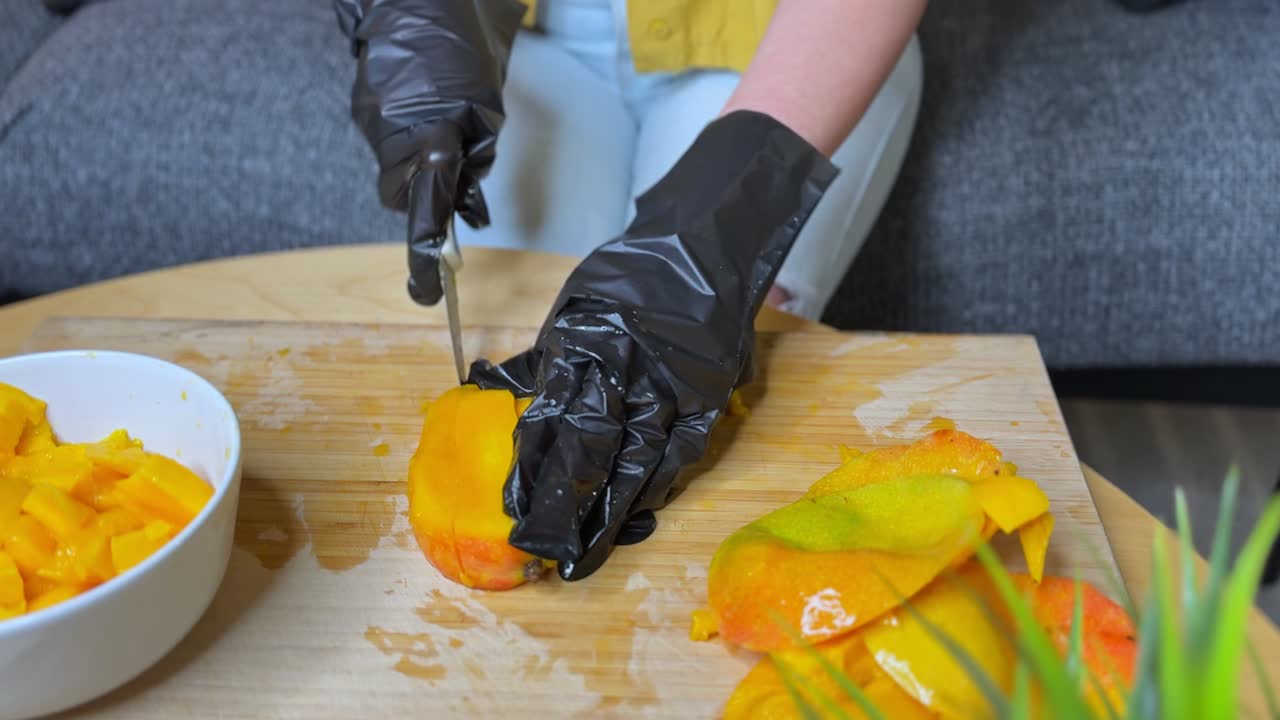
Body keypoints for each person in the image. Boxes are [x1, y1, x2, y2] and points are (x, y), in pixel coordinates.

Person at [337, 0, 925, 581]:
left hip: (790, 38)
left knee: (709, 343)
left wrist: (714, 234)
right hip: (525, 36)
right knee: (542, 337)